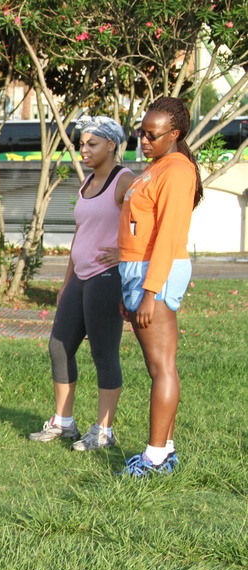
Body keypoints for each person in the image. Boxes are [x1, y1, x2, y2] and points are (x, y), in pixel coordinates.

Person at [29, 117, 135, 451]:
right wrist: (66, 280)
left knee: (104, 353)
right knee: (58, 347)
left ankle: (104, 431)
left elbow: (151, 220)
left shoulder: (125, 180)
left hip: (107, 279)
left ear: (111, 145)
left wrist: (126, 251)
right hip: (80, 277)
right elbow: (82, 232)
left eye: (92, 144)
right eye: (81, 144)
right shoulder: (87, 182)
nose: (83, 150)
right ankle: (64, 422)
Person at [117, 97, 201, 476]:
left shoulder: (178, 171)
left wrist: (150, 293)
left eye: (152, 135)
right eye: (141, 132)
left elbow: (168, 236)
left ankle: (155, 457)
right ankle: (164, 450)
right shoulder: (156, 167)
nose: (144, 140)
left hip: (157, 273)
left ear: (175, 134)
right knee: (157, 367)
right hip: (139, 270)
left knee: (162, 367)